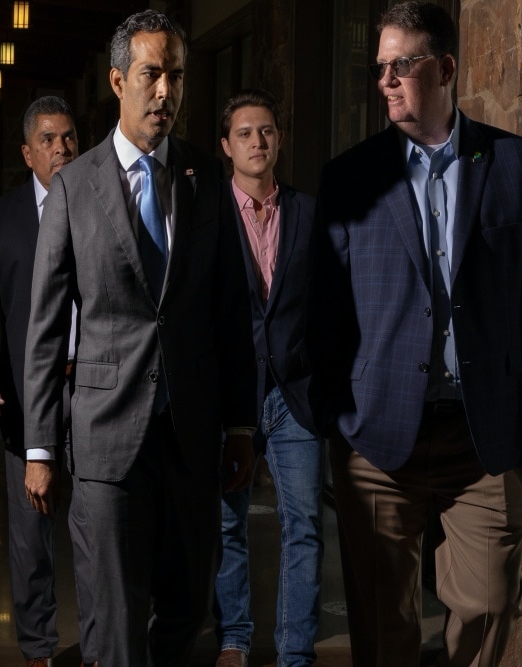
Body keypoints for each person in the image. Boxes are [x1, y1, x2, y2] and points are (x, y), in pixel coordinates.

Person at [311, 3, 522, 666]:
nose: (387, 81)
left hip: (482, 433)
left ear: (447, 67)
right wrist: (330, 422)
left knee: (490, 604)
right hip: (375, 440)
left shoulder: (512, 164)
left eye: (403, 64)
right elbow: (321, 315)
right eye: (380, 69)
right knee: (383, 621)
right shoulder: (350, 178)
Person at [23, 10, 256, 666]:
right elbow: (44, 331)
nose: (166, 91)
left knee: (184, 610)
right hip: (105, 440)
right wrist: (40, 446)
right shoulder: (73, 187)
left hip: (190, 436)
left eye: (176, 76)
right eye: (153, 75)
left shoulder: (208, 180)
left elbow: (231, 311)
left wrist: (240, 423)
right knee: (116, 621)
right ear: (119, 80)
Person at [0, 95, 94, 667]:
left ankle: (99, 647)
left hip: (93, 390)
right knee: (31, 532)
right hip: (26, 395)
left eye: (68, 138)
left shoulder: (104, 206)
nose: (60, 149)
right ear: (26, 152)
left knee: (95, 530)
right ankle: (38, 649)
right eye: (47, 140)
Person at [212, 89, 324, 667]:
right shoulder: (207, 214)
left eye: (267, 131)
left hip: (294, 395)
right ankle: (233, 637)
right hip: (230, 395)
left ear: (278, 139)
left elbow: (329, 304)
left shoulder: (308, 212)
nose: (259, 141)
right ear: (225, 146)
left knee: (302, 524)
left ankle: (295, 652)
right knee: (227, 523)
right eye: (246, 133)